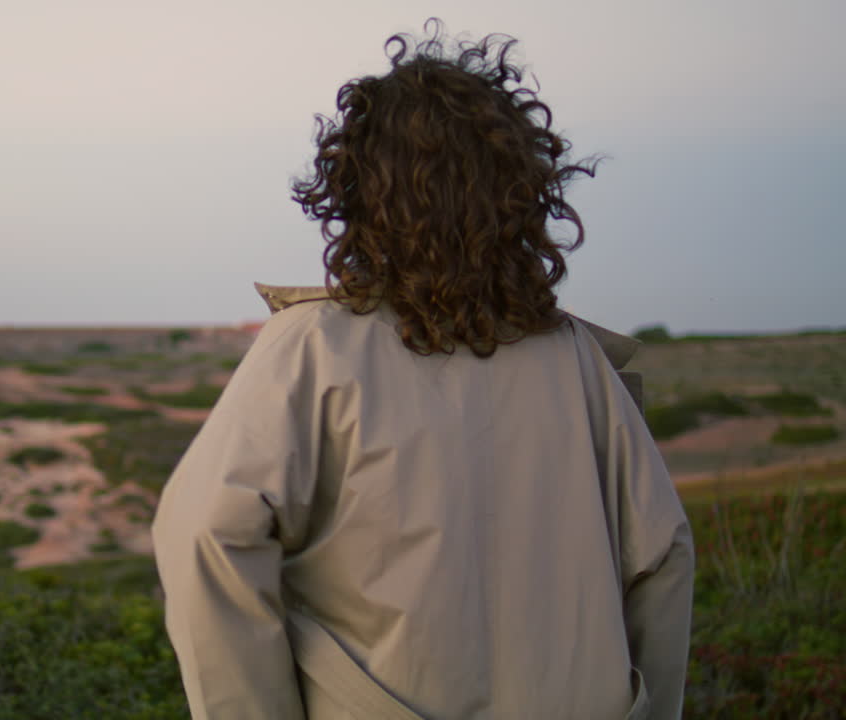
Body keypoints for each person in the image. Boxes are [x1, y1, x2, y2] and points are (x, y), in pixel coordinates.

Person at [150, 20, 694, 720]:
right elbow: (663, 554)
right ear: (521, 191)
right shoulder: (576, 360)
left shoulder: (312, 347)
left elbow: (205, 536)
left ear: (359, 190)